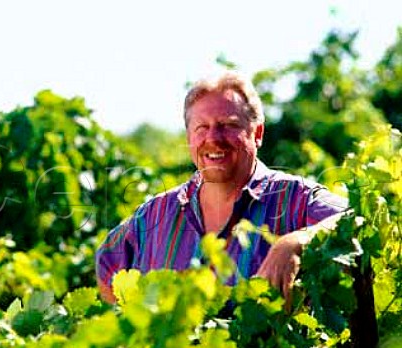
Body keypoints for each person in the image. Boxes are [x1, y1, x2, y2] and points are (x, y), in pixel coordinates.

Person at [96, 73, 347, 303]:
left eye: (228, 125)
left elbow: (355, 220)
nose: (213, 138)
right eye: (201, 127)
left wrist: (297, 241)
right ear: (189, 138)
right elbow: (106, 262)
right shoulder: (154, 215)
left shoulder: (295, 200)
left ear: (257, 133)